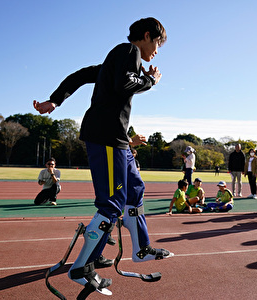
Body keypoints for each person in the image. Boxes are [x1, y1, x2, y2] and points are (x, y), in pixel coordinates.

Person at [33, 17, 173, 296]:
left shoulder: (119, 59)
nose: (157, 51)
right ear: (147, 36)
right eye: (157, 43)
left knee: (135, 190)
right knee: (112, 204)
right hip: (106, 138)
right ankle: (82, 267)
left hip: (118, 141)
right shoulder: (128, 51)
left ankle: (141, 248)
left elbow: (82, 74)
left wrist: (56, 99)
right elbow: (125, 84)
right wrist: (150, 79)